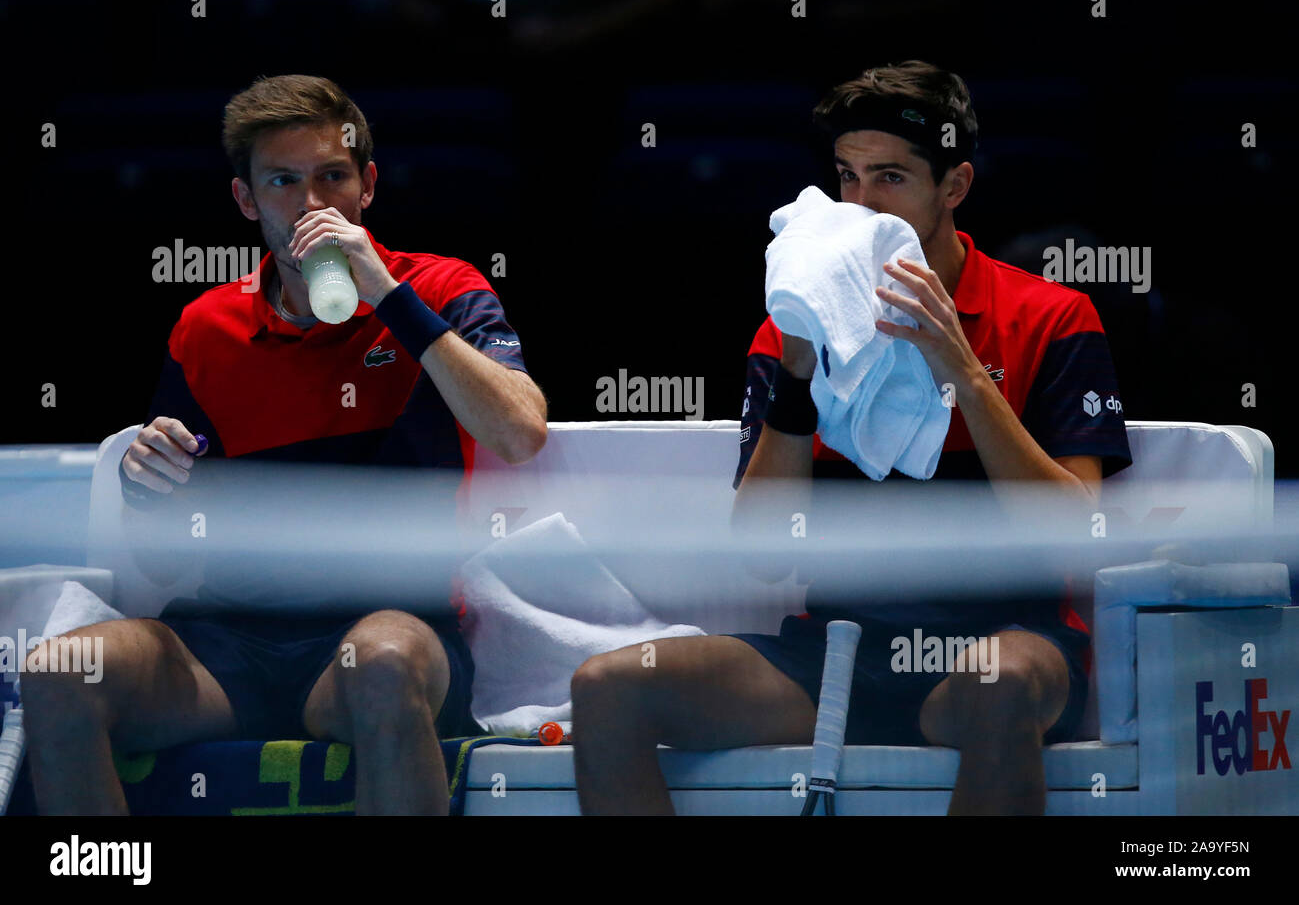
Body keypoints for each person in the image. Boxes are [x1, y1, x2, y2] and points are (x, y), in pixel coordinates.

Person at [570, 60, 1132, 815]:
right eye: (847, 177)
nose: (861, 206)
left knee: (1000, 686)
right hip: (831, 654)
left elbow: (1076, 535)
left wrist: (964, 374)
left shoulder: (1052, 317)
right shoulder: (791, 324)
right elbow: (767, 558)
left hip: (999, 644)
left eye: (891, 179)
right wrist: (798, 380)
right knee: (607, 687)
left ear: (954, 187)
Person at [22, 75, 548, 815]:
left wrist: (390, 299)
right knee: (57, 673)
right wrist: (148, 491)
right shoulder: (206, 327)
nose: (313, 205)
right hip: (226, 645)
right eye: (284, 182)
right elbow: (167, 558)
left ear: (367, 185)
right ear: (246, 199)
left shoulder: (439, 287)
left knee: (386, 665)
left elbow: (521, 433)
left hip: (388, 629)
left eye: (332, 177)